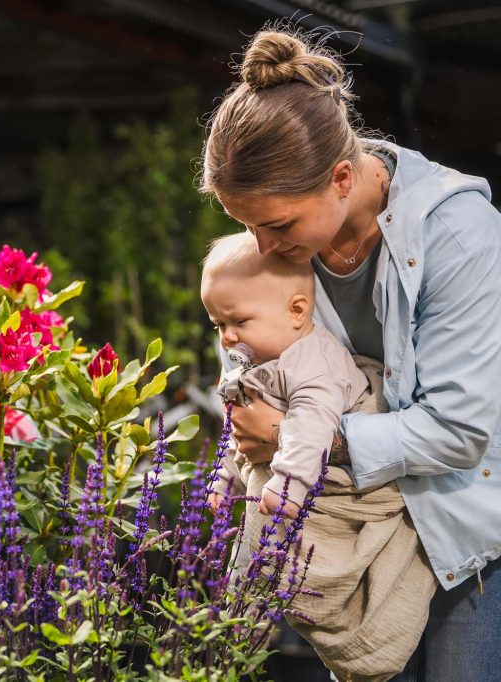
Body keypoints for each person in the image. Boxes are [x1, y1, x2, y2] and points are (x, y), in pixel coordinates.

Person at [200, 27, 501, 681]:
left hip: (469, 535)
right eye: (244, 225)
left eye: (276, 225)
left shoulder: (458, 234)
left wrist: (298, 439)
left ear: (342, 178)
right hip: (357, 541)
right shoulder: (280, 245)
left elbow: (461, 429)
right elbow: (250, 361)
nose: (261, 247)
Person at [202, 232, 437, 681]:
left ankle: (250, 625)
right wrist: (225, 477)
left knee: (272, 566)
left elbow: (312, 426)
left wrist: (289, 481)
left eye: (238, 321)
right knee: (251, 568)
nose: (228, 337)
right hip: (288, 479)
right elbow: (242, 436)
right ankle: (235, 629)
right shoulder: (257, 365)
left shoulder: (313, 361)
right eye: (218, 325)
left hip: (341, 491)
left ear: (296, 311)